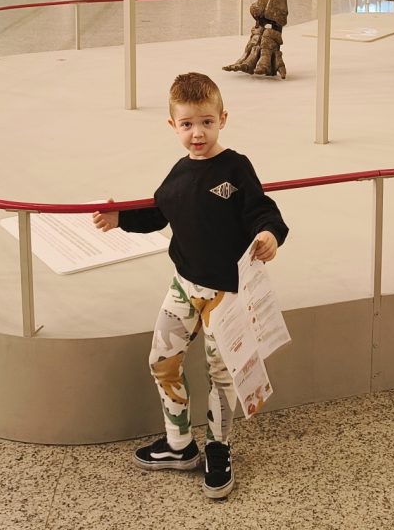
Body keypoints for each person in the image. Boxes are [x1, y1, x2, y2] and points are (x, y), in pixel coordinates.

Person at [92, 72, 288, 500]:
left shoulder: (235, 167)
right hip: (183, 287)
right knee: (162, 362)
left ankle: (218, 449)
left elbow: (263, 210)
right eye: (186, 124)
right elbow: (158, 212)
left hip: (226, 296)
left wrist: (269, 234)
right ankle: (179, 444)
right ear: (172, 125)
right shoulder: (179, 173)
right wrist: (120, 217)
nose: (197, 132)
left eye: (206, 122)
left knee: (221, 376)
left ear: (222, 119)